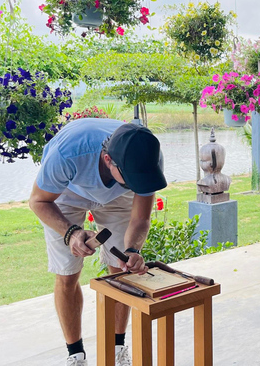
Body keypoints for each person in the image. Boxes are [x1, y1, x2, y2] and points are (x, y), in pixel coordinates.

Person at [29, 119, 167, 366]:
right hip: (67, 193)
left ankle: (117, 348)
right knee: (67, 273)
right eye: (132, 178)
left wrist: (133, 249)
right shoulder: (68, 153)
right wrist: (70, 232)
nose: (139, 184)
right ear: (108, 161)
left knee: (120, 270)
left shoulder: (147, 158)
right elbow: (38, 201)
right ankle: (76, 354)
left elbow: (141, 217)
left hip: (118, 195)